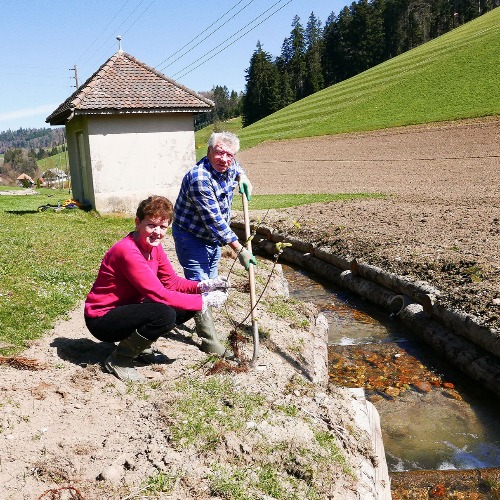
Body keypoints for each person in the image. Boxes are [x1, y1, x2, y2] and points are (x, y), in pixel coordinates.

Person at [84, 195, 229, 382]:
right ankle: (120, 359)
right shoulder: (127, 251)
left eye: (163, 227)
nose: (157, 232)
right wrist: (204, 301)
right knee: (164, 314)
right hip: (102, 318)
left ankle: (140, 346)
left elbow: (172, 282)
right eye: (151, 225)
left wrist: (202, 286)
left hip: (128, 307)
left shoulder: (154, 247)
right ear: (138, 222)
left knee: (185, 306)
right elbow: (159, 294)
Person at [172, 131, 257, 359]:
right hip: (190, 236)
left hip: (210, 239)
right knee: (200, 284)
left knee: (210, 284)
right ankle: (210, 341)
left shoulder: (229, 164)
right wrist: (240, 250)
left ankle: (169, 312)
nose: (225, 159)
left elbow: (236, 166)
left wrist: (243, 177)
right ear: (209, 151)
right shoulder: (199, 178)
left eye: (230, 155)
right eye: (219, 153)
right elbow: (215, 222)